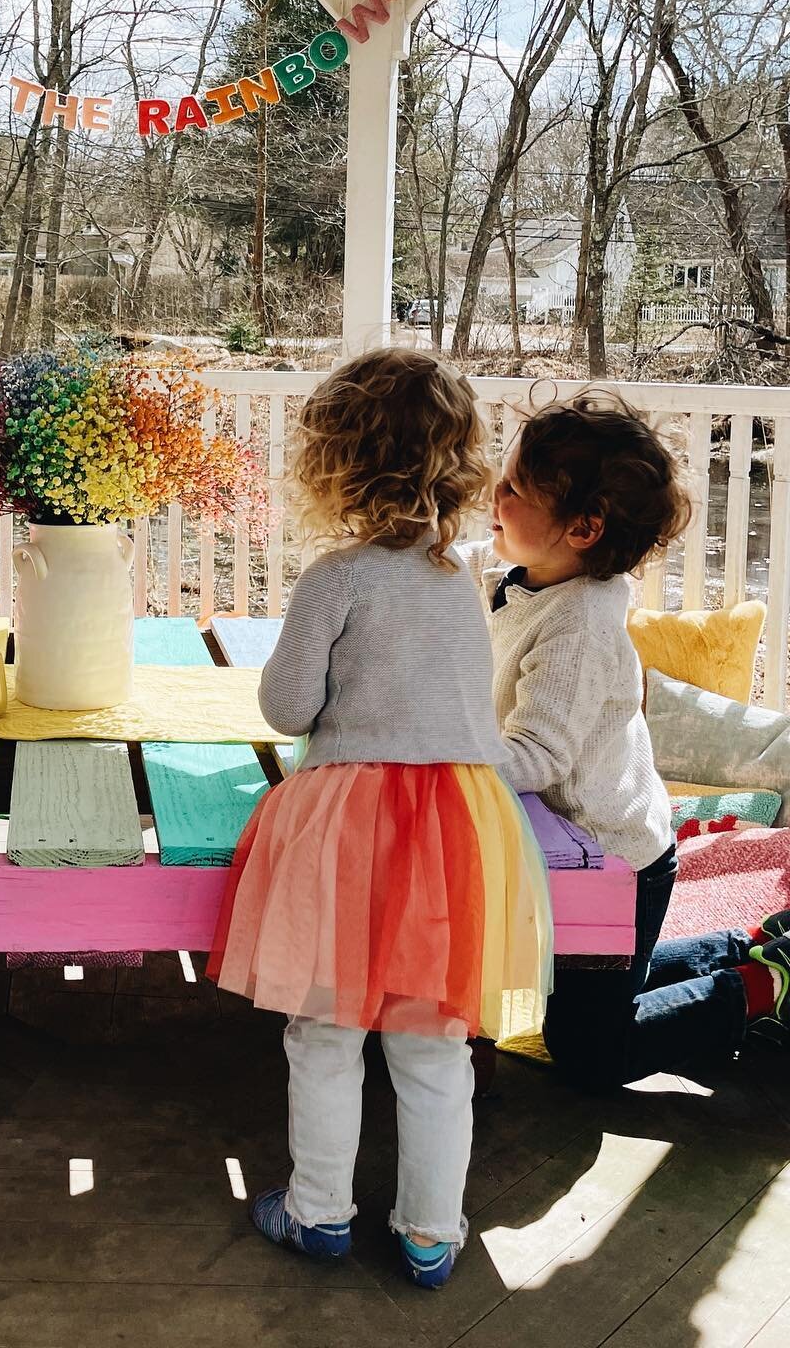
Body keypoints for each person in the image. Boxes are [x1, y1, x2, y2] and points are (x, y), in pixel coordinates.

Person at [210, 347, 552, 1290]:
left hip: (352, 826)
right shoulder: (460, 584)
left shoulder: (339, 577)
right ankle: (431, 1235)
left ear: (338, 464)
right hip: (457, 828)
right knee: (435, 1041)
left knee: (324, 1030)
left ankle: (319, 1213)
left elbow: (285, 708)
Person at [469, 393, 790, 1090]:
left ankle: (762, 986)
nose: (495, 494)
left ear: (582, 528)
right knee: (593, 994)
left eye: (515, 489)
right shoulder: (530, 577)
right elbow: (453, 572)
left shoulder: (579, 628)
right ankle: (742, 945)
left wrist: (448, 752)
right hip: (575, 846)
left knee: (589, 1049)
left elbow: (538, 756)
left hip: (616, 864)